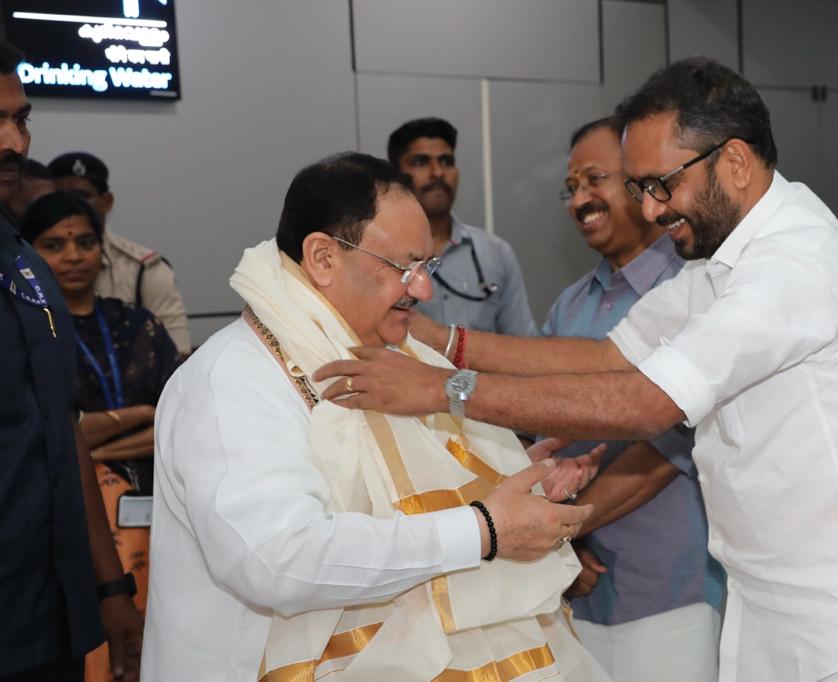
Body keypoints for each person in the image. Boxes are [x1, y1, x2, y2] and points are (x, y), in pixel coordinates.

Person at [320, 58, 838, 682]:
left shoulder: (790, 266)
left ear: (736, 160)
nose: (654, 209)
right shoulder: (725, 259)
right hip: (782, 610)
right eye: (641, 188)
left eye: (662, 184)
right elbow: (607, 355)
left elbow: (643, 404)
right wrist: (442, 340)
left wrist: (443, 390)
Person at [142, 152, 607, 680]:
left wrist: (510, 470)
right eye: (403, 267)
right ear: (322, 258)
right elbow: (277, 559)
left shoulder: (385, 350)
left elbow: (405, 477)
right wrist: (483, 530)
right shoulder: (232, 379)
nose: (424, 289)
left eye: (428, 266)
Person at [544, 116, 723, 681]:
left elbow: (666, 451)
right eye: (570, 188)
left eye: (594, 179)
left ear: (645, 184)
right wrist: (558, 551)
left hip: (671, 593)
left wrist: (562, 529)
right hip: (574, 596)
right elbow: (537, 437)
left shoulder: (697, 289)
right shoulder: (567, 307)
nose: (580, 200)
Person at [0, 39, 143, 682]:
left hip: (48, 611)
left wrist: (111, 589)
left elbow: (63, 431)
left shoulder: (27, 265)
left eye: (21, 119)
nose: (15, 142)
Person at [19, 191, 180, 682]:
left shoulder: (136, 324)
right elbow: (54, 434)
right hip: (73, 511)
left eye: (85, 242)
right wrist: (136, 416)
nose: (73, 256)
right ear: (29, 254)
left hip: (160, 495)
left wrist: (91, 438)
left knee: (165, 632)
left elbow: (176, 419)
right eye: (54, 245)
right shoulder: (30, 330)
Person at [387, 117, 537, 335]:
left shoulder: (495, 252)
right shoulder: (376, 253)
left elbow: (523, 345)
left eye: (446, 161)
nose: (438, 172)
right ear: (396, 175)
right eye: (420, 162)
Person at [49, 152, 192, 354]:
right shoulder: (28, 262)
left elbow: (179, 356)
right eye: (59, 198)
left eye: (81, 196)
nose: (71, 206)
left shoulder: (144, 269)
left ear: (106, 202)